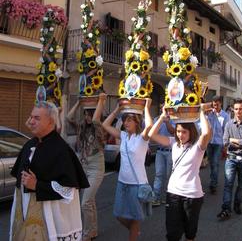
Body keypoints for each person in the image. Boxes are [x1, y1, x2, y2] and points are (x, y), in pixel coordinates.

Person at [9, 101, 89, 241]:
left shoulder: (61, 150)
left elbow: (69, 190)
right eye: (31, 117)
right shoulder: (29, 144)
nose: (31, 121)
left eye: (37, 118)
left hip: (50, 221)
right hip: (24, 218)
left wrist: (37, 185)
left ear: (51, 122)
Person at [148, 103, 212, 241]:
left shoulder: (198, 147)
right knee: (172, 234)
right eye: (178, 131)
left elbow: (206, 133)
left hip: (192, 196)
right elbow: (151, 134)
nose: (180, 135)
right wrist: (162, 117)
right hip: (173, 194)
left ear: (191, 132)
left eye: (184, 132)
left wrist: (201, 112)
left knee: (190, 234)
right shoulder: (173, 143)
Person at [101, 98, 153, 241]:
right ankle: (134, 231)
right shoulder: (123, 136)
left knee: (135, 217)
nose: (125, 123)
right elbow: (105, 125)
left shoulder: (142, 138)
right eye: (125, 120)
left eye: (129, 120)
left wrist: (147, 107)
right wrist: (118, 110)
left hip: (137, 184)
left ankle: (133, 234)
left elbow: (149, 126)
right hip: (122, 182)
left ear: (137, 121)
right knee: (118, 215)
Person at [67, 93, 107, 241]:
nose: (87, 117)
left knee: (86, 202)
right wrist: (78, 103)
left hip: (96, 166)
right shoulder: (81, 127)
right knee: (90, 202)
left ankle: (87, 234)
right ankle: (93, 230)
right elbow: (68, 118)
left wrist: (101, 101)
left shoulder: (98, 128)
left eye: (89, 114)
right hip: (84, 165)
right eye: (85, 114)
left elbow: (96, 120)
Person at [217, 98, 242, 220]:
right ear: (233, 110)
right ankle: (226, 209)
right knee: (228, 184)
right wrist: (238, 143)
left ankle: (237, 204)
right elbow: (225, 142)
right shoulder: (228, 125)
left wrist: (234, 140)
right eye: (236, 109)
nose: (238, 111)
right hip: (231, 159)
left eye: (241, 109)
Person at [152, 105, 175, 206]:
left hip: (171, 151)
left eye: (166, 109)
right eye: (163, 108)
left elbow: (173, 132)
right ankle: (156, 198)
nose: (165, 111)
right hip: (160, 151)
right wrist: (161, 119)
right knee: (158, 174)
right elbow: (152, 133)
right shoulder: (157, 119)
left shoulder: (174, 119)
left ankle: (169, 198)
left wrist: (167, 121)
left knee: (169, 176)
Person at [206, 96, 229, 194]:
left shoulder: (225, 115)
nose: (215, 106)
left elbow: (226, 131)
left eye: (217, 104)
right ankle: (213, 179)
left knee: (215, 163)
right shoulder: (209, 114)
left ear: (221, 104)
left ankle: (213, 184)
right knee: (211, 163)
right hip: (209, 142)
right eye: (214, 104)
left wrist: (225, 146)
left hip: (218, 143)